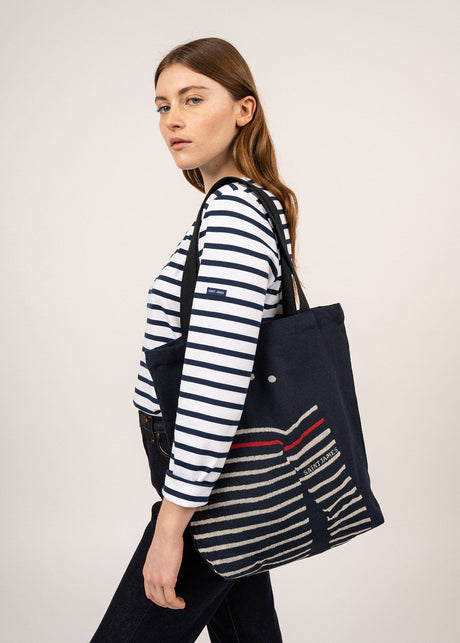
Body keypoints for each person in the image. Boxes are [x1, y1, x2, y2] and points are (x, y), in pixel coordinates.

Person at [90, 36, 302, 643]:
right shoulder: (243, 206)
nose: (172, 120)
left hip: (208, 471)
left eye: (192, 98)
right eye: (162, 106)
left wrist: (172, 524)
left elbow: (218, 374)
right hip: (210, 466)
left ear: (243, 109)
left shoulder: (234, 215)